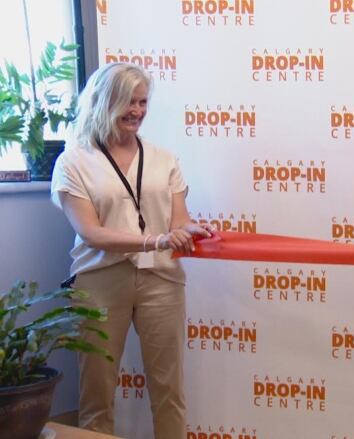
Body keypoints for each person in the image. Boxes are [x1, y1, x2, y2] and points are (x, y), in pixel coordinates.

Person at [50, 62, 213, 438]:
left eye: (143, 102)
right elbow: (91, 233)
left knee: (169, 389)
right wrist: (154, 240)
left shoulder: (164, 159)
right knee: (97, 394)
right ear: (106, 102)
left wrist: (192, 229)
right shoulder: (73, 162)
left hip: (161, 279)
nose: (137, 111)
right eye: (129, 102)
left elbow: (178, 221)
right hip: (100, 280)